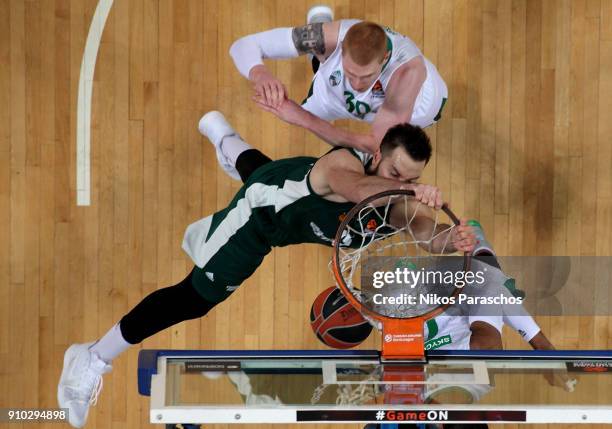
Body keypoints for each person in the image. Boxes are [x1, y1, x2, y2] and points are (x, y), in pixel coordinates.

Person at [57, 111, 476, 428]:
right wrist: (405, 187)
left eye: (412, 177)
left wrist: (452, 240)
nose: (403, 181)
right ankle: (91, 357)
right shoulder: (344, 166)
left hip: (284, 185)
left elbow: (428, 236)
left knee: (265, 171)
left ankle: (225, 137)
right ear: (377, 156)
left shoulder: (399, 200)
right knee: (196, 296)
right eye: (394, 171)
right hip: (261, 218)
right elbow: (358, 190)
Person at [229, 6, 448, 154]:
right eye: (350, 74)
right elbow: (243, 46)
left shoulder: (407, 74)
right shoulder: (329, 38)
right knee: (318, 65)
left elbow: (375, 145)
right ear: (341, 48)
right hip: (337, 93)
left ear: (384, 59)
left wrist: (303, 118)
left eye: (366, 77)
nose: (356, 85)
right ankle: (319, 28)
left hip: (416, 107)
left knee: (382, 158)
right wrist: (260, 73)